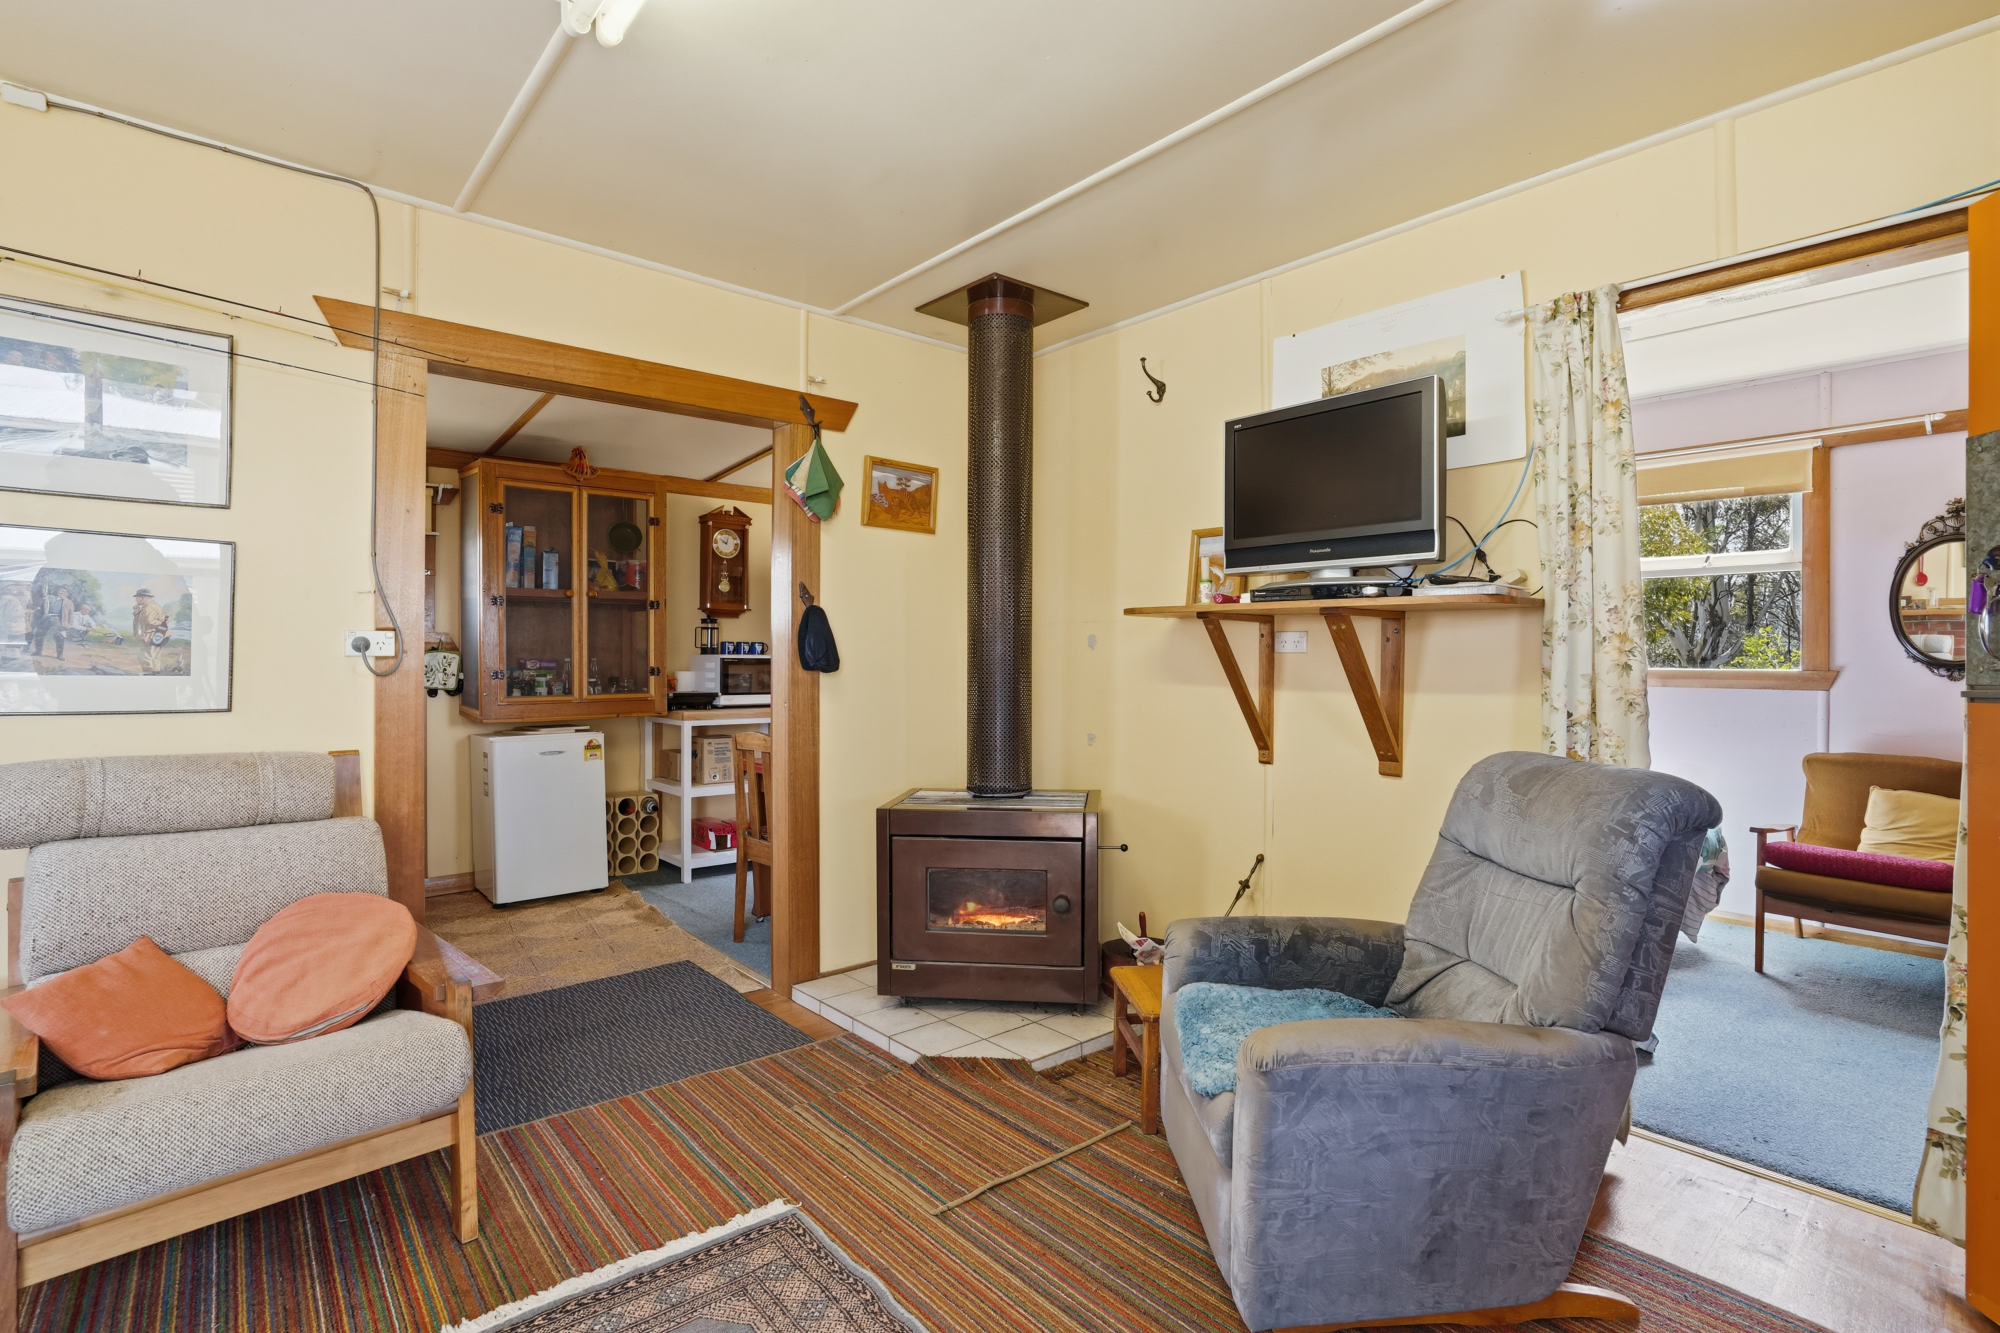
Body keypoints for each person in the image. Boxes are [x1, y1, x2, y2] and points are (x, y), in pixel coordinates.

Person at [28, 584, 72, 660]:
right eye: (60, 590)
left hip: (57, 619)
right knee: (39, 633)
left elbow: (70, 614)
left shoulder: (68, 602)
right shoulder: (50, 598)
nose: (61, 592)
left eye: (63, 591)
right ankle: (38, 651)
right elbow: (43, 601)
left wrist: (69, 624)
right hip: (46, 617)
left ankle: (59, 655)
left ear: (67, 593)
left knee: (59, 636)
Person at [131, 588, 170, 674]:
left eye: (137, 597)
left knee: (144, 657)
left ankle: (148, 675)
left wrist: (161, 623)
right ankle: (155, 674)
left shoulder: (149, 607)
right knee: (155, 657)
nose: (136, 600)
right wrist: (137, 613)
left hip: (154, 635)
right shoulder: (151, 606)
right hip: (159, 634)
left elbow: (150, 621)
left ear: (143, 598)